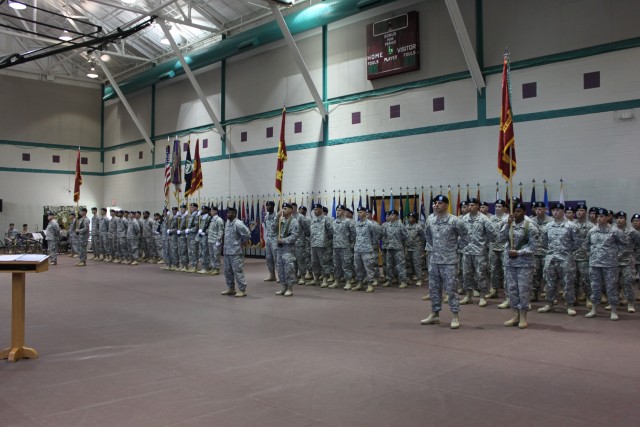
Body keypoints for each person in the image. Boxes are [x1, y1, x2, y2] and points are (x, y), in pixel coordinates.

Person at [421, 195, 469, 329]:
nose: (436, 205)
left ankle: (455, 316)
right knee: (434, 289)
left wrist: (455, 248)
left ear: (446, 205)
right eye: (435, 203)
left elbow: (465, 237)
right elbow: (428, 237)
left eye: (440, 203)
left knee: (451, 289)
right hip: (434, 260)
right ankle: (435, 314)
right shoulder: (430, 220)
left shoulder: (455, 221)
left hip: (449, 262)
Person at [498, 201, 540, 329]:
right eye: (514, 211)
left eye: (519, 211)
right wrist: (507, 225)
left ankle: (523, 317)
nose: (516, 214)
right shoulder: (508, 224)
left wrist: (519, 252)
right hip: (510, 263)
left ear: (524, 212)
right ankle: (515, 315)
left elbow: (535, 246)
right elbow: (500, 239)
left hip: (524, 264)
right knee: (512, 290)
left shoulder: (530, 227)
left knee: (523, 291)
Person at [537, 203, 581, 316]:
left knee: (567, 282)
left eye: (557, 210)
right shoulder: (548, 226)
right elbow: (544, 242)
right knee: (549, 282)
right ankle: (549, 303)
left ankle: (569, 304)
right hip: (551, 257)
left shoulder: (571, 226)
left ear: (563, 211)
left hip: (565, 258)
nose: (555, 212)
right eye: (553, 210)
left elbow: (577, 242)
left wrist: (566, 250)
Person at [584, 208, 628, 320]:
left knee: (611, 287)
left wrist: (616, 256)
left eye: (602, 216)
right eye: (597, 216)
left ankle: (613, 310)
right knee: (595, 287)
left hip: (610, 265)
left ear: (608, 218)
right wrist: (591, 255)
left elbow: (625, 245)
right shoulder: (592, 231)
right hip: (595, 264)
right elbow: (586, 244)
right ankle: (594, 309)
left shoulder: (615, 231)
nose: (599, 218)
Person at [460, 198, 495, 307]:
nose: (470, 207)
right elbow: (459, 234)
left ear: (478, 206)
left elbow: (492, 234)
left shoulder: (484, 219)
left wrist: (484, 244)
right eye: (469, 205)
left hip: (479, 252)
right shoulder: (463, 219)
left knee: (481, 275)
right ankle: (468, 296)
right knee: (466, 274)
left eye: (473, 205)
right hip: (466, 252)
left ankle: (482, 296)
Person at [613, 212, 640, 313]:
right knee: (614, 283)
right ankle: (614, 302)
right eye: (617, 218)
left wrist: (633, 255)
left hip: (628, 262)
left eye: (621, 218)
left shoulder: (632, 232)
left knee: (628, 282)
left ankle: (630, 303)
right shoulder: (612, 231)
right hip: (614, 262)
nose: (619, 220)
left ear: (625, 219)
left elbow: (638, 245)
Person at [221, 207, 250, 297]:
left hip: (236, 252)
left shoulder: (238, 223)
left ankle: (242, 290)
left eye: (229, 213)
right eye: (227, 213)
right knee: (227, 271)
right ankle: (231, 288)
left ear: (234, 214)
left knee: (237, 271)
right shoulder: (228, 222)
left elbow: (247, 233)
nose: (227, 214)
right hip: (227, 252)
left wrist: (243, 242)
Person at [275, 203, 300, 296]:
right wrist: (277, 217)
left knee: (288, 269)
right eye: (282, 209)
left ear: (291, 210)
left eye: (285, 209)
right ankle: (283, 287)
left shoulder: (294, 222)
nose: (283, 210)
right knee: (280, 269)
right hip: (280, 249)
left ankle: (289, 288)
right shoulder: (281, 220)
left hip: (288, 249)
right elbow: (274, 228)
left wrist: (283, 240)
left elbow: (294, 236)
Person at [488, 199, 509, 306]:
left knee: (506, 270)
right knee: (493, 269)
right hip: (493, 247)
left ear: (504, 208)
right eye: (496, 206)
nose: (497, 208)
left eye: (499, 206)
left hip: (504, 248)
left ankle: (508, 293)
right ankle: (494, 289)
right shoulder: (491, 218)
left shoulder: (508, 218)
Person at [352, 207, 378, 292]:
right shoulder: (356, 224)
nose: (359, 214)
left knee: (369, 267)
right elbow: (354, 236)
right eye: (358, 212)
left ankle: (370, 284)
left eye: (361, 212)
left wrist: (372, 246)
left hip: (367, 250)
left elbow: (375, 237)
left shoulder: (370, 224)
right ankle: (360, 283)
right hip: (357, 249)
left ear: (365, 213)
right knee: (358, 267)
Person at [573, 203, 593, 308]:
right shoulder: (571, 224)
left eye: (581, 210)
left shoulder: (591, 227)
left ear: (585, 212)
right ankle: (574, 298)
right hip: (572, 256)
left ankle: (589, 298)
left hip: (585, 257)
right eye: (577, 211)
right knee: (573, 279)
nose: (579, 212)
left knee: (586, 279)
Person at [382, 210, 408, 288]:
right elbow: (385, 236)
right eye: (390, 215)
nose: (391, 216)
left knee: (400, 265)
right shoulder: (387, 225)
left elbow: (405, 236)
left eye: (393, 215)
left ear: (397, 216)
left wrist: (398, 241)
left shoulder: (400, 225)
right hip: (389, 248)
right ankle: (389, 280)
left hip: (398, 248)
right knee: (389, 265)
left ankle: (403, 281)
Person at [331, 205, 356, 289]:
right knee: (336, 265)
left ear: (344, 212)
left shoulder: (348, 222)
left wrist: (351, 244)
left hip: (345, 247)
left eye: (339, 210)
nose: (338, 212)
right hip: (336, 247)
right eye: (337, 210)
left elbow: (353, 234)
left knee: (346, 265)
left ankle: (348, 281)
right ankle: (336, 281)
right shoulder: (334, 222)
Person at [309, 203, 333, 287]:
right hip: (313, 244)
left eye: (317, 209)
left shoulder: (326, 219)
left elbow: (331, 232)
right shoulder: (313, 220)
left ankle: (325, 280)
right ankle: (316, 279)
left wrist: (327, 242)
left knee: (324, 263)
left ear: (321, 210)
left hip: (323, 245)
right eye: (314, 209)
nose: (315, 211)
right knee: (314, 262)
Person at [404, 212, 426, 286]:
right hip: (408, 248)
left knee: (417, 264)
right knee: (408, 264)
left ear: (415, 219)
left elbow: (423, 238)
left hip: (416, 248)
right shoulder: (406, 227)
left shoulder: (418, 227)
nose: (410, 219)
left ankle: (419, 279)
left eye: (412, 217)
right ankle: (409, 278)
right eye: (409, 217)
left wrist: (422, 248)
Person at [263, 201, 278, 281]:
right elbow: (266, 227)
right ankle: (272, 275)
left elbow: (277, 228)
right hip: (268, 239)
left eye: (269, 205)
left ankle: (280, 276)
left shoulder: (277, 216)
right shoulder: (266, 216)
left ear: (273, 206)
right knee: (268, 258)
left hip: (275, 239)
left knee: (276, 258)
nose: (267, 207)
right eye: (267, 205)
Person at [207, 206, 224, 275]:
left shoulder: (219, 220)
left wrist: (218, 240)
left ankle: (216, 268)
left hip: (215, 240)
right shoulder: (211, 219)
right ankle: (213, 267)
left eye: (212, 211)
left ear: (216, 211)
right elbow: (211, 230)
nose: (211, 212)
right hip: (210, 240)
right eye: (211, 211)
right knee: (211, 255)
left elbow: (221, 230)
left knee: (216, 255)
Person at [186, 203, 200, 272]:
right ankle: (192, 265)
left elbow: (197, 227)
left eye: (192, 207)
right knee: (190, 252)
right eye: (190, 207)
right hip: (190, 236)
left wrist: (189, 230)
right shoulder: (191, 215)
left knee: (194, 251)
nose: (190, 208)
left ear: (196, 208)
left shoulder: (196, 215)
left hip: (194, 236)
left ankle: (194, 266)